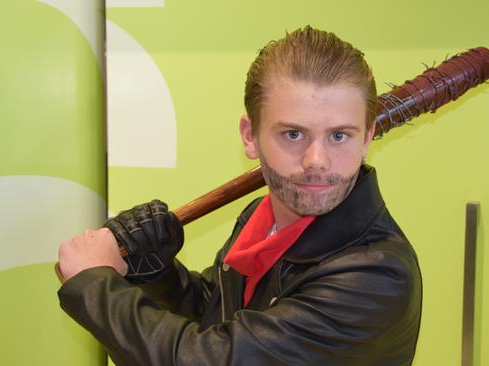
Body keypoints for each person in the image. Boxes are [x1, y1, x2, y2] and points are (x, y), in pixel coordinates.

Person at [57, 26, 422, 366]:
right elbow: (220, 320)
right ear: (250, 136)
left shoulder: (375, 275)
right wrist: (157, 274)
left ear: (367, 137)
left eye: (339, 135)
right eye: (293, 134)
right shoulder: (260, 216)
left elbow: (213, 358)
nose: (317, 161)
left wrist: (94, 284)